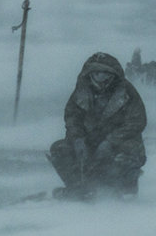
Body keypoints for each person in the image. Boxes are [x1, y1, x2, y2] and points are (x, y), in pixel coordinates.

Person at [47, 52, 146, 199]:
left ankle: (123, 188)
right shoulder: (81, 91)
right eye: (96, 74)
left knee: (126, 156)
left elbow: (137, 122)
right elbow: (72, 118)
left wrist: (110, 142)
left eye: (106, 74)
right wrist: (78, 139)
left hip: (121, 143)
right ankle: (79, 187)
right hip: (90, 142)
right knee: (60, 149)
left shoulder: (127, 92)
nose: (101, 79)